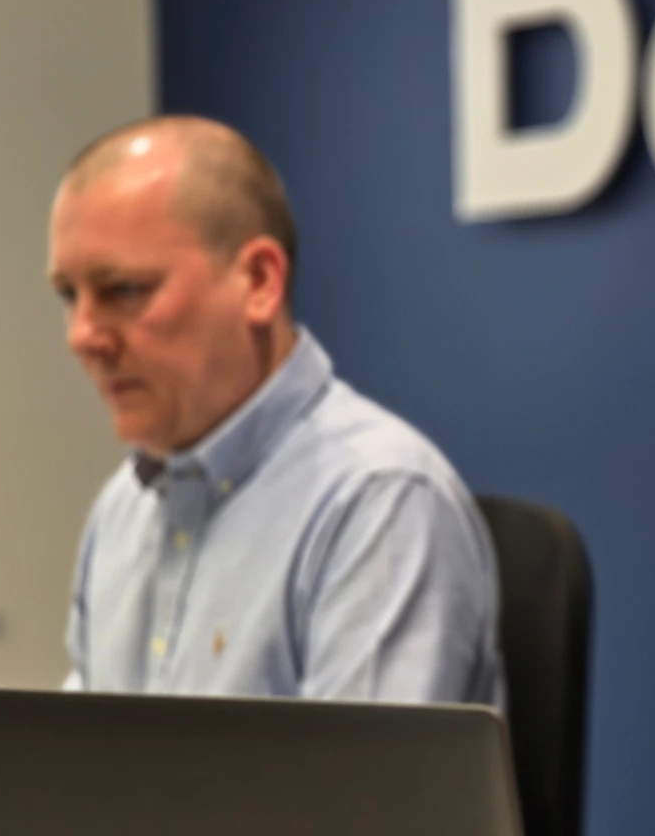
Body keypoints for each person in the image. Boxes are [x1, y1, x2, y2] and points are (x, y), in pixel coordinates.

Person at [48, 115, 503, 705]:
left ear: (259, 281)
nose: (83, 336)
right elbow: (76, 775)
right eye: (68, 295)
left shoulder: (379, 504)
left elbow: (363, 795)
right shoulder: (119, 512)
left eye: (124, 290)